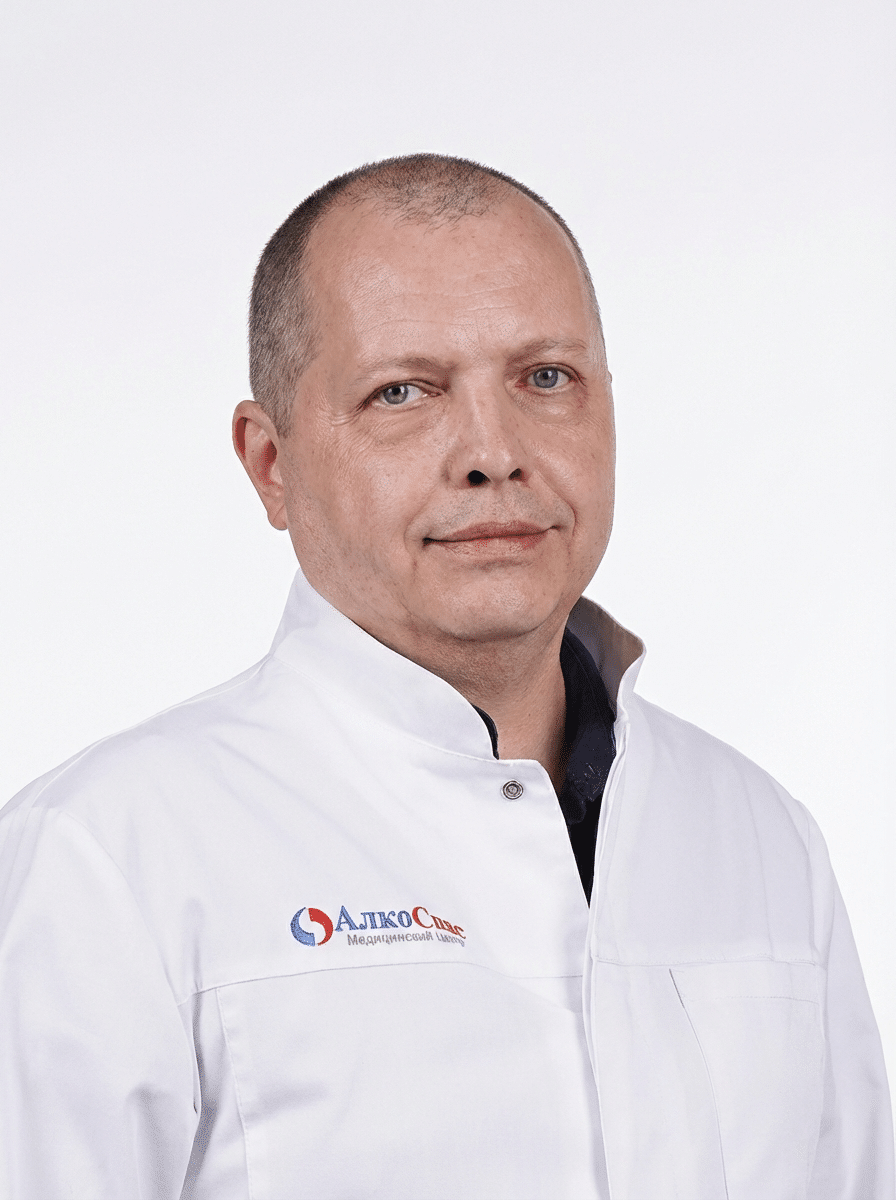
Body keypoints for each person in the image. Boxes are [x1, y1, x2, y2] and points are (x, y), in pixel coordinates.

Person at [0, 153, 892, 1200]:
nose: (492, 452)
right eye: (403, 392)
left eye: (544, 378)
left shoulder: (760, 837)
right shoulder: (106, 860)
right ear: (271, 464)